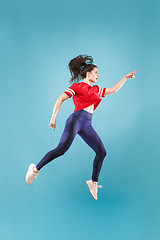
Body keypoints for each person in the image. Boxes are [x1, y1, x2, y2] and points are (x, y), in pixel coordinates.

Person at [25, 55, 138, 200]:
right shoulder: (77, 86)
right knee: (61, 150)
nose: (98, 75)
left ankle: (93, 182)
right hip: (76, 120)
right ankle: (34, 169)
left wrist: (125, 77)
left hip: (87, 124)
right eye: (96, 72)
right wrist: (53, 117)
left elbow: (114, 90)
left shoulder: (96, 90)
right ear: (88, 73)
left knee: (101, 152)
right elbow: (60, 99)